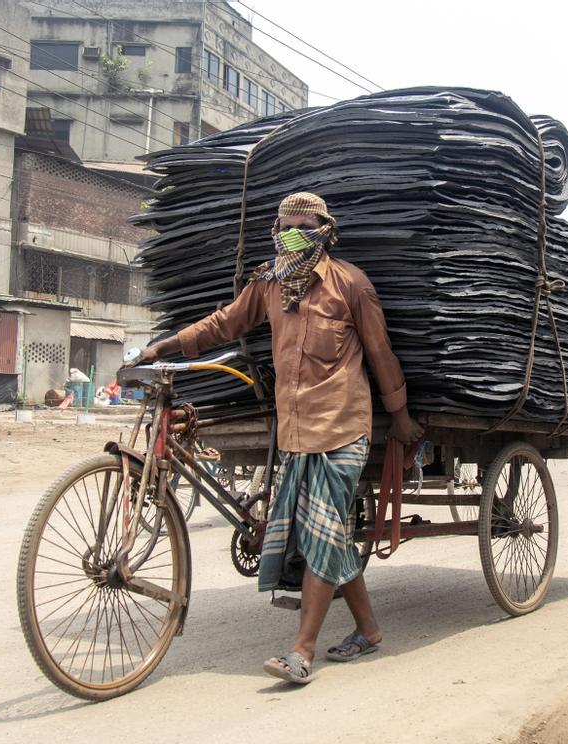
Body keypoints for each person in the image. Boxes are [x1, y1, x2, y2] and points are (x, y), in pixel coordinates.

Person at [135, 192, 423, 685]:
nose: (289, 238)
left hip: (341, 427)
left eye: (301, 229)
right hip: (292, 432)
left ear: (324, 231)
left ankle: (301, 650)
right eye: (282, 228)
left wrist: (400, 417)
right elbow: (225, 322)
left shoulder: (350, 284)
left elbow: (379, 352)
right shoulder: (268, 285)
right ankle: (370, 630)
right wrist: (170, 343)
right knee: (326, 535)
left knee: (320, 534)